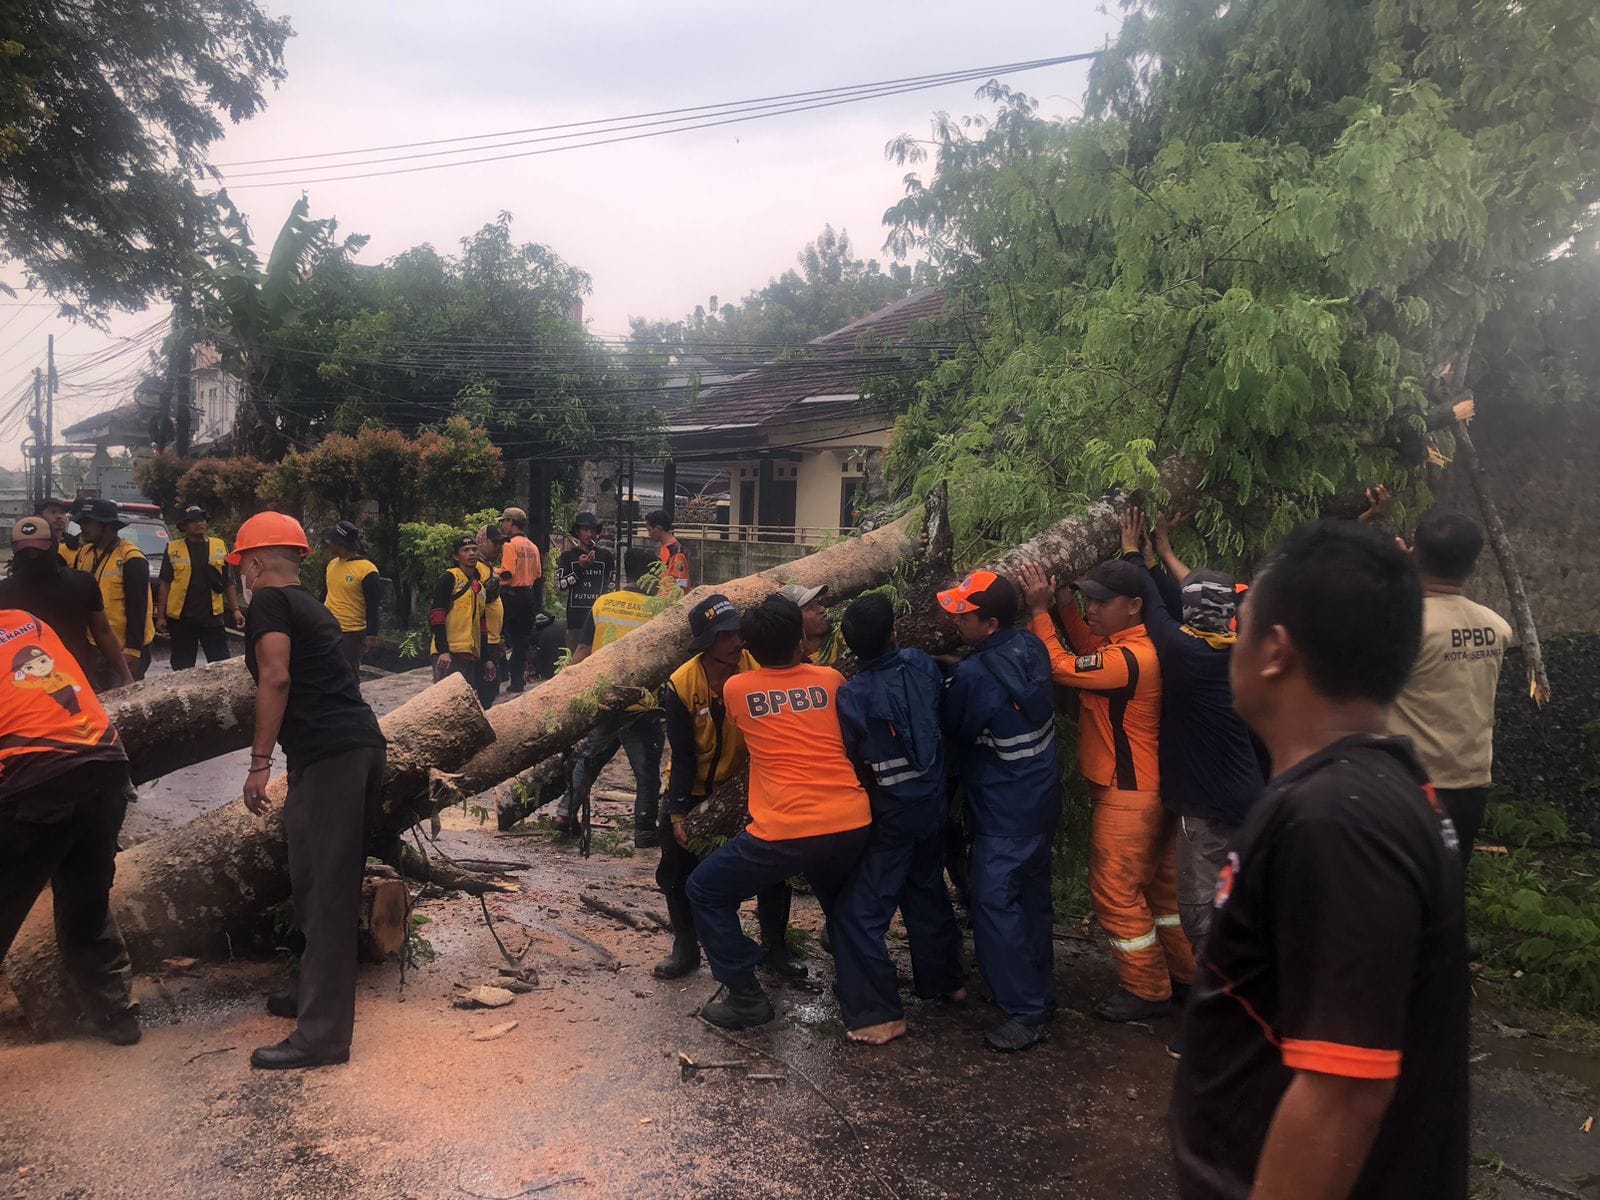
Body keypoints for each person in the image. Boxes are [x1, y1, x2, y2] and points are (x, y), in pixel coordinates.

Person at [1172, 520, 1467, 1200]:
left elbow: (1343, 1091)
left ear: (1275, 651)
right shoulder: (1371, 789)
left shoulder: (1336, 818)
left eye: (1241, 628)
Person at [233, 512, 388, 1071]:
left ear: (254, 563)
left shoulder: (270, 603)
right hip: (342, 753)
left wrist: (257, 763)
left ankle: (321, 1037)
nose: (244, 579)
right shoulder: (312, 605)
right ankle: (309, 994)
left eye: (243, 569)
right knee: (310, 879)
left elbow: (276, 676)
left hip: (333, 756)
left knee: (326, 890)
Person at [1018, 552, 1195, 1024]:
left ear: (1135, 604)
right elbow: (1088, 647)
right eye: (1087, 598)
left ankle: (1146, 988)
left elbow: (1063, 666)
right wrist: (1066, 606)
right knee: (1161, 897)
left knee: (1115, 892)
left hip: (1128, 795)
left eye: (1100, 601)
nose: (1091, 608)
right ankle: (1186, 975)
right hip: (1149, 790)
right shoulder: (1132, 646)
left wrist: (1040, 612)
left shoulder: (1131, 659)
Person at [685, 596, 872, 1029]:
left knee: (705, 890)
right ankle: (863, 1001)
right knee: (842, 905)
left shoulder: (736, 688)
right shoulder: (831, 679)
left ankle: (746, 995)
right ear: (801, 640)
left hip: (785, 830)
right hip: (850, 819)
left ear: (748, 645)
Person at [1131, 510, 1264, 976]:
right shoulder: (1239, 651)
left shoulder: (1186, 655)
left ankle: (1217, 1011)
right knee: (1242, 900)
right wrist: (1161, 554)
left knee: (1200, 910)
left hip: (1206, 808)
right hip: (1248, 798)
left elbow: (1153, 606)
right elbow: (1179, 604)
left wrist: (1135, 553)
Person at [0, 606, 141, 1046]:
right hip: (106, 765)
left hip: (36, 778)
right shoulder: (28, 620)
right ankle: (116, 1013)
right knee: (86, 897)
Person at [831, 593, 965, 1045]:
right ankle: (948, 982)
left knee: (858, 915)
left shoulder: (851, 694)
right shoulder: (921, 665)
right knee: (926, 889)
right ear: (893, 633)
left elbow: (852, 756)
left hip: (892, 815)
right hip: (932, 805)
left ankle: (878, 1014)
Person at [938, 570, 1059, 1052]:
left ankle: (1024, 1012)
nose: (957, 622)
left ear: (989, 624)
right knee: (1032, 899)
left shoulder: (972, 675)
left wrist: (952, 678)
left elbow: (958, 727)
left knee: (993, 904)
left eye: (965, 616)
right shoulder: (1033, 648)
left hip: (1004, 810)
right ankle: (1040, 994)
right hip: (1041, 800)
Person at [656, 594, 799, 981]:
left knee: (773, 866)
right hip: (695, 786)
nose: (736, 642)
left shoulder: (757, 667)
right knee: (675, 868)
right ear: (706, 643)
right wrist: (679, 811)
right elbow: (683, 755)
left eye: (737, 633)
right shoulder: (681, 685)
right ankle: (685, 947)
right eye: (724, 637)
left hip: (748, 785)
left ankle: (776, 947)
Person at [1387, 509, 1513, 865]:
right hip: (1471, 783)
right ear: (1473, 567)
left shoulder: (1402, 626)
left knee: (1395, 889)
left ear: (1414, 552)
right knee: (1447, 890)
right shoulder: (1497, 627)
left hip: (1409, 785)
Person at [554, 546, 665, 846]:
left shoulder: (603, 604)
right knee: (646, 774)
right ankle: (643, 831)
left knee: (588, 760)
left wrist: (567, 690)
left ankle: (564, 812)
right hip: (641, 704)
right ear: (652, 574)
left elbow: (582, 651)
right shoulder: (659, 610)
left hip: (604, 699)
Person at [0, 516, 133, 691]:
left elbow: (103, 632)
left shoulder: (82, 584)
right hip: (24, 689)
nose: (32, 556)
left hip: (76, 682)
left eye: (38, 550)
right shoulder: (4, 593)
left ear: (53, 545)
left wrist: (126, 676)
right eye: (26, 551)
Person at [67, 498, 153, 687]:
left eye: (88, 523)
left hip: (124, 649)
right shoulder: (85, 553)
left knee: (125, 703)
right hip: (94, 645)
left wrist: (133, 650)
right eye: (81, 523)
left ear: (107, 526)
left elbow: (139, 608)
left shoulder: (132, 558)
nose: (83, 528)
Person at [157, 504, 241, 669]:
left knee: (221, 664)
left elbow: (228, 581)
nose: (199, 524)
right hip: (182, 619)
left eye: (201, 519)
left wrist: (236, 610)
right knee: (182, 666)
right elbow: (165, 584)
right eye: (193, 521)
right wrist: (161, 616)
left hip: (212, 617)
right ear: (184, 526)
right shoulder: (173, 549)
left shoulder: (219, 545)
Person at [321, 520, 381, 678]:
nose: (329, 544)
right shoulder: (332, 565)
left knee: (347, 675)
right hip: (328, 628)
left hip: (350, 633)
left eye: (331, 540)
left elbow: (373, 605)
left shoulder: (367, 570)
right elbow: (324, 595)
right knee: (326, 672)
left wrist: (371, 635)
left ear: (341, 543)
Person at [429, 535, 488, 692]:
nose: (471, 553)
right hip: (449, 655)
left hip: (471, 655)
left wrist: (486, 658)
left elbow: (482, 625)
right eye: (466, 550)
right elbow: (437, 615)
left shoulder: (479, 587)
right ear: (456, 556)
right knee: (446, 702)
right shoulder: (449, 578)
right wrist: (443, 651)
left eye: (474, 549)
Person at [497, 506, 542, 692]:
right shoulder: (533, 546)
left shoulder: (509, 544)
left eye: (504, 522)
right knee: (521, 641)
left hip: (511, 597)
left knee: (496, 637)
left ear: (511, 523)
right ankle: (517, 682)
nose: (502, 526)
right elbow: (537, 573)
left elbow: (507, 574)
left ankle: (496, 677)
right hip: (528, 596)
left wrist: (490, 572)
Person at [555, 512, 614, 651]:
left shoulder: (605, 556)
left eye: (593, 530)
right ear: (578, 532)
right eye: (585, 530)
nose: (589, 534)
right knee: (575, 660)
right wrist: (580, 568)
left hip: (599, 618)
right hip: (576, 620)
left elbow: (611, 587)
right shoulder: (568, 556)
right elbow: (561, 585)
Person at [475, 525, 506, 710]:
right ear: (483, 542)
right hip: (484, 640)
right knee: (486, 687)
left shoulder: (487, 566)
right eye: (495, 543)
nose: (498, 548)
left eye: (501, 544)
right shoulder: (477, 569)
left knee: (492, 688)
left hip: (493, 638)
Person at [777, 582, 844, 666]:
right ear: (793, 620)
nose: (822, 609)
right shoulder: (783, 663)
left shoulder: (843, 638)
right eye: (810, 607)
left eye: (817, 603)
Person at [645, 507, 690, 595]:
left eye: (650, 530)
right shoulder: (667, 548)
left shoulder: (676, 552)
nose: (649, 534)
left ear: (658, 528)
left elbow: (682, 583)